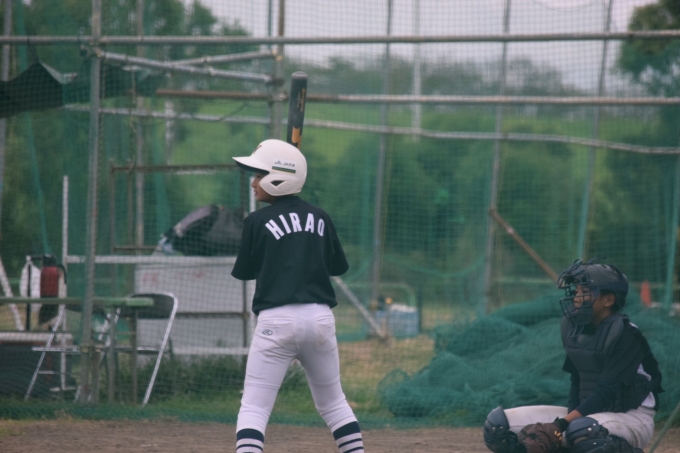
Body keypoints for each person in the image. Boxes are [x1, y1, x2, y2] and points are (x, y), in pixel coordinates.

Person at [230, 139, 365, 453]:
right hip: (319, 319)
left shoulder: (256, 221)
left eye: (259, 175)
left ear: (279, 177)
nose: (253, 182)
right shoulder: (321, 217)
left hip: (276, 321)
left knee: (255, 407)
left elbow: (245, 271)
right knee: (334, 404)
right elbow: (338, 267)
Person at [483, 259, 663, 453]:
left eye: (584, 291)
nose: (577, 297)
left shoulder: (626, 334)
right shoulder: (576, 328)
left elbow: (607, 392)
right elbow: (577, 382)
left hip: (632, 418)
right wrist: (564, 426)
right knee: (498, 427)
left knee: (582, 431)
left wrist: (561, 425)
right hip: (590, 416)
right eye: (576, 291)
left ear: (608, 300)